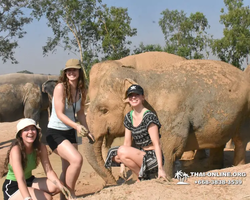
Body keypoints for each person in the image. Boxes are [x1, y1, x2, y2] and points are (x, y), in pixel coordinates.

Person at [46, 58, 94, 200]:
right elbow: (60, 114)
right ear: (65, 72)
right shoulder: (60, 88)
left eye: (74, 69)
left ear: (79, 72)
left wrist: (87, 130)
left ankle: (63, 198)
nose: (71, 72)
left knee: (67, 168)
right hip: (55, 132)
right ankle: (71, 194)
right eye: (68, 70)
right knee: (77, 160)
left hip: (70, 132)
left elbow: (80, 113)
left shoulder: (81, 90)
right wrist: (77, 126)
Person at [105, 84, 167, 181]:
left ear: (143, 97)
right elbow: (127, 143)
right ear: (128, 99)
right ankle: (142, 177)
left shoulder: (149, 116)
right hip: (140, 154)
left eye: (136, 95)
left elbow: (157, 144)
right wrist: (123, 165)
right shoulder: (128, 117)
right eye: (131, 96)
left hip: (152, 157)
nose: (133, 97)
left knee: (121, 151)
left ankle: (141, 177)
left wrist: (161, 169)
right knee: (114, 155)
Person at [2, 118, 71, 200]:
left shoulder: (40, 147)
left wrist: (61, 186)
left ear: (37, 132)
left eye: (33, 129)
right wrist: (27, 198)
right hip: (14, 186)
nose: (30, 132)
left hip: (30, 181)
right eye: (26, 130)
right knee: (47, 198)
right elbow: (20, 179)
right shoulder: (16, 150)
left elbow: (49, 171)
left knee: (56, 186)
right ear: (20, 134)